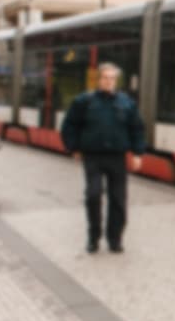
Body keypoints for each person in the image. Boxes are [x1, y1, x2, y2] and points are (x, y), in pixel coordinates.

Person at [61, 62, 144, 254]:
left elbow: (137, 129)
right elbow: (70, 125)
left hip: (117, 158)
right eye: (105, 78)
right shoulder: (84, 101)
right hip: (93, 157)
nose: (109, 82)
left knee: (118, 200)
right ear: (98, 80)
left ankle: (115, 239)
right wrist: (73, 148)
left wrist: (138, 153)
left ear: (116, 81)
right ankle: (93, 238)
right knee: (93, 195)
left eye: (112, 78)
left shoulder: (126, 103)